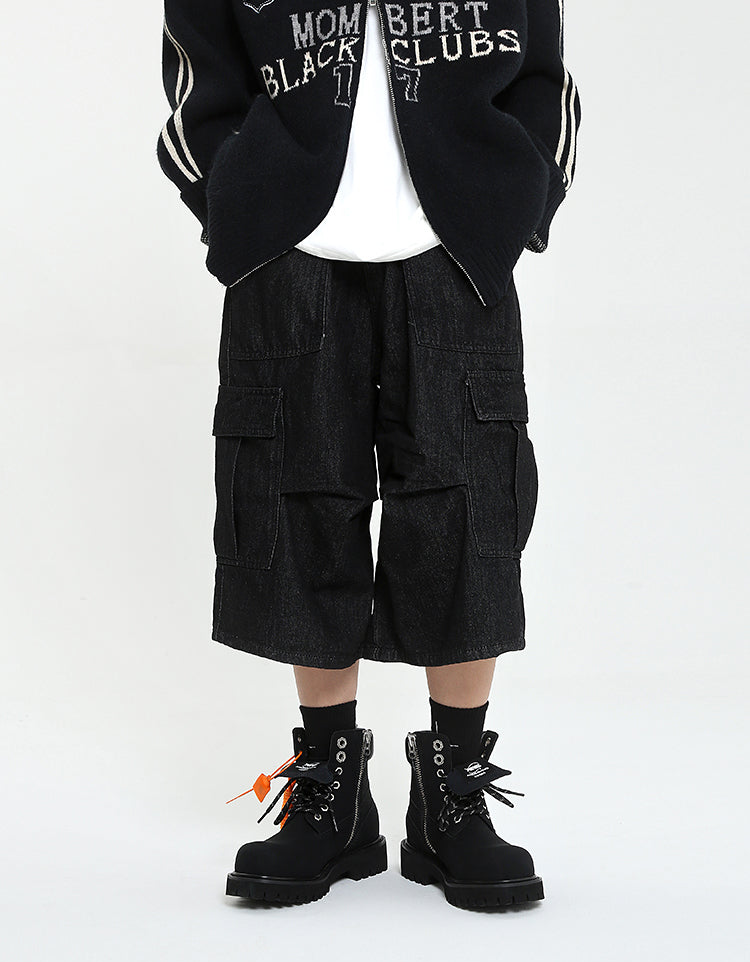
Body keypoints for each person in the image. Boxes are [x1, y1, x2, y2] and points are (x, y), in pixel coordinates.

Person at [157, 0, 581, 910]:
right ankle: (330, 792)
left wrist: (517, 200)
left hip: (457, 245)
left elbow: (545, 73)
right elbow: (196, 72)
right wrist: (235, 200)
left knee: (471, 500)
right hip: (286, 246)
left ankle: (454, 791)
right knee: (294, 496)